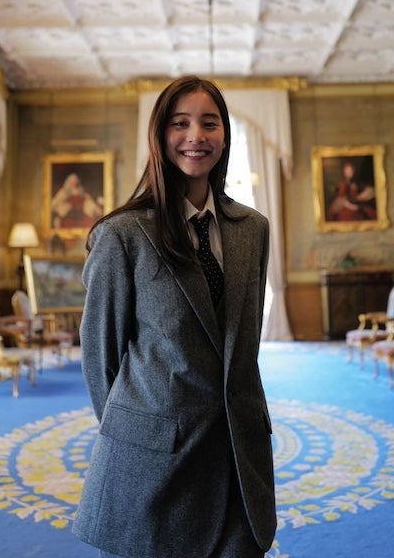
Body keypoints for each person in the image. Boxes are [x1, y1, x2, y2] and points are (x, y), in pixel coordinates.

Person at [73, 76, 276, 558]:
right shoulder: (122, 235)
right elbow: (100, 358)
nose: (196, 136)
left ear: (225, 135)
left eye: (210, 123)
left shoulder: (253, 229)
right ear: (160, 135)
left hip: (238, 457)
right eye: (180, 123)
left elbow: (242, 344)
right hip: (153, 463)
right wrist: (143, 431)